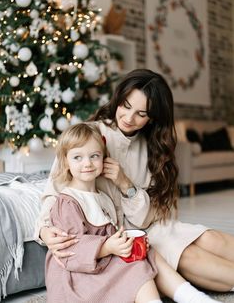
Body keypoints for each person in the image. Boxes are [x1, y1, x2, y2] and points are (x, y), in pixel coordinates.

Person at [36, 69, 232, 298]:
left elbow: (147, 217)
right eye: (126, 106)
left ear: (152, 118)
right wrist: (44, 230)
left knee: (209, 238)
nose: (129, 118)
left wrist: (125, 183)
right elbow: (54, 192)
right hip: (121, 237)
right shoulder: (89, 135)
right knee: (188, 257)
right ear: (118, 99)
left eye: (141, 113)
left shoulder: (152, 145)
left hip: (149, 225)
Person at [45, 122, 161, 303]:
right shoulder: (67, 202)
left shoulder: (104, 199)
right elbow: (71, 248)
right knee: (135, 267)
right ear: (65, 162)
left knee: (143, 257)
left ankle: (184, 296)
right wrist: (107, 247)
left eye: (94, 156)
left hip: (101, 262)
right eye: (77, 157)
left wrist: (123, 243)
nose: (87, 163)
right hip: (77, 276)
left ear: (104, 159)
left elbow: (111, 234)